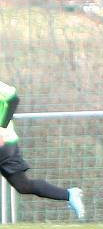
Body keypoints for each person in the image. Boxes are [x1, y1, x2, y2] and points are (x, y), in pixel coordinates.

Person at [0, 80, 84, 219]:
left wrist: (1, 129)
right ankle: (69, 194)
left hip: (5, 144)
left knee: (23, 185)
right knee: (23, 186)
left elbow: (13, 98)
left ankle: (69, 194)